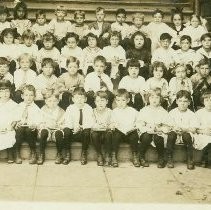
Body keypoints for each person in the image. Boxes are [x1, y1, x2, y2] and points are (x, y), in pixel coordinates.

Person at [136, 88, 170, 168]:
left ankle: (161, 157)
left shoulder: (163, 111)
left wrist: (160, 128)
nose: (154, 100)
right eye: (152, 97)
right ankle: (141, 156)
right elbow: (140, 123)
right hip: (147, 130)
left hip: (158, 131)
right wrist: (147, 128)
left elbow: (167, 124)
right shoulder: (144, 110)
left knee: (159, 137)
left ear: (160, 99)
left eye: (157, 97)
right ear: (148, 99)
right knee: (146, 137)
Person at [63, 87, 95, 165]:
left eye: (82, 98)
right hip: (73, 131)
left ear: (85, 99)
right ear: (73, 99)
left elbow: (91, 121)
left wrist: (82, 127)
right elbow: (67, 120)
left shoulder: (88, 108)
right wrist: (74, 127)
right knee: (66, 130)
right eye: (77, 98)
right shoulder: (70, 108)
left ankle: (84, 153)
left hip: (82, 133)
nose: (79, 100)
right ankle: (67, 153)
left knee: (87, 131)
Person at [167, 90, 198, 170]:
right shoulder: (172, 113)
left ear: (189, 102)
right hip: (175, 134)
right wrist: (174, 128)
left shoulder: (191, 114)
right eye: (180, 101)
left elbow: (194, 129)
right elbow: (168, 125)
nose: (183, 103)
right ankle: (169, 158)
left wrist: (185, 129)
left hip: (186, 135)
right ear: (176, 101)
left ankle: (190, 159)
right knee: (171, 134)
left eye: (185, 101)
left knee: (186, 135)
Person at [110, 89, 140, 167]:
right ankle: (114, 156)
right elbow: (112, 122)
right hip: (120, 133)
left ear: (128, 100)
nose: (120, 103)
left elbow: (138, 121)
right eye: (118, 100)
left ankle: (135, 155)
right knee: (115, 135)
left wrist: (134, 126)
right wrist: (114, 125)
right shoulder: (114, 111)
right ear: (115, 101)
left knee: (134, 135)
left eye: (123, 100)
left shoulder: (133, 111)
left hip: (129, 133)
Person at [14, 85, 42, 164]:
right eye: (26, 95)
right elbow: (15, 117)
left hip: (31, 130)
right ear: (22, 96)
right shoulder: (19, 106)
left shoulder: (36, 108)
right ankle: (17, 153)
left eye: (31, 95)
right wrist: (17, 123)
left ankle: (33, 152)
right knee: (19, 130)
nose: (28, 97)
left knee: (29, 130)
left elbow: (38, 120)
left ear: (34, 96)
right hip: (21, 130)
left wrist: (34, 124)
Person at [38, 93, 65, 165]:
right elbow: (40, 121)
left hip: (56, 129)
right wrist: (45, 125)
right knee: (43, 132)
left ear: (58, 101)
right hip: (47, 129)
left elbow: (64, 123)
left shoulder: (61, 111)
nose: (52, 103)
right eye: (50, 101)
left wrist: (58, 125)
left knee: (59, 134)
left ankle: (59, 153)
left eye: (54, 101)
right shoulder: (43, 110)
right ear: (46, 101)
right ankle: (41, 153)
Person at [91, 91, 112, 166]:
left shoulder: (110, 112)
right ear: (95, 102)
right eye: (98, 101)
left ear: (107, 102)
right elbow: (91, 123)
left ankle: (107, 154)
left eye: (102, 101)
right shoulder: (92, 111)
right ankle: (99, 154)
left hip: (106, 132)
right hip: (97, 133)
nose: (100, 103)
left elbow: (112, 123)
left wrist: (107, 125)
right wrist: (97, 125)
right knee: (94, 135)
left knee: (109, 134)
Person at [0, 80, 18, 163]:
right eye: (1, 91)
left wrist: (11, 126)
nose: (4, 94)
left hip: (9, 126)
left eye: (7, 91)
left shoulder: (14, 105)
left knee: (10, 134)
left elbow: (15, 119)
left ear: (10, 92)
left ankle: (10, 153)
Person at [195, 90, 211, 168]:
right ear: (203, 101)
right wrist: (204, 131)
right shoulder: (199, 113)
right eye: (207, 100)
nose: (209, 102)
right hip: (201, 134)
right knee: (207, 140)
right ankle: (204, 160)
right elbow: (195, 129)